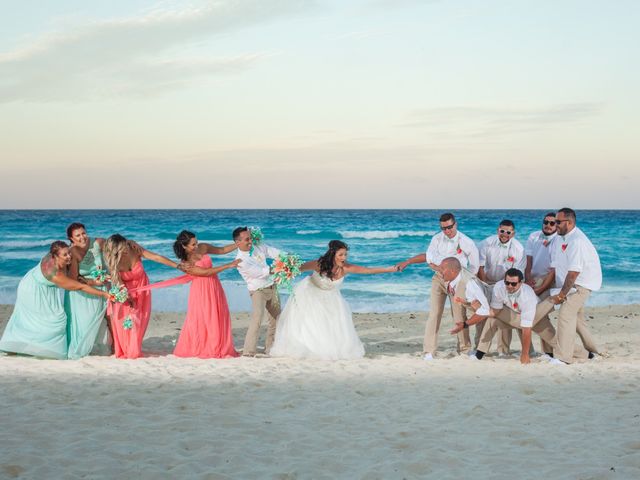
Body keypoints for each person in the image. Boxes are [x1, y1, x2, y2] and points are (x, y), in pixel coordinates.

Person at [269, 240, 398, 359]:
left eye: (345, 255)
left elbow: (368, 271)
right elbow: (297, 268)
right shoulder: (318, 264)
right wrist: (280, 271)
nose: (344, 258)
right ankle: (307, 347)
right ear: (333, 254)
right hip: (310, 294)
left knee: (332, 326)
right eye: (341, 255)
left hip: (331, 298)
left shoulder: (346, 268)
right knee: (310, 323)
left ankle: (325, 349)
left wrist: (390, 269)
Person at [0, 241, 111, 359]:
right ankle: (31, 347)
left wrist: (94, 280)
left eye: (69, 252)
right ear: (55, 256)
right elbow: (79, 286)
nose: (69, 256)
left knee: (43, 320)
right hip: (32, 290)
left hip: (45, 287)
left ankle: (26, 347)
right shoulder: (54, 273)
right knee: (54, 320)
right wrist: (104, 294)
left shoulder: (59, 257)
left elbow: (76, 278)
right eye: (65, 255)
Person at [397, 213, 480, 360]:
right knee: (434, 314)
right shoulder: (436, 239)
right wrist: (439, 269)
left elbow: (474, 266)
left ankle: (465, 349)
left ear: (455, 224)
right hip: (439, 279)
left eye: (449, 227)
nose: (447, 231)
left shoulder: (467, 242)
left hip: (458, 281)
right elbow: (429, 259)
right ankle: (429, 351)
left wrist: (464, 282)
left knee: (459, 315)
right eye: (444, 228)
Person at [102, 234, 179, 359]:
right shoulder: (113, 261)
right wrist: (126, 296)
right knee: (127, 321)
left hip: (142, 291)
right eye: (122, 248)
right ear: (115, 250)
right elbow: (118, 281)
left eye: (125, 245)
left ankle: (133, 347)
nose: (125, 249)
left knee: (140, 320)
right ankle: (128, 350)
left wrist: (177, 266)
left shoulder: (133, 247)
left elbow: (156, 257)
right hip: (124, 291)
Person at [459, 268, 557, 364]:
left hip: (535, 316)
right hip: (514, 315)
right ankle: (479, 354)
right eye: (507, 283)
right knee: (493, 320)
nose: (510, 286)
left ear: (521, 282)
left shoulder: (527, 296)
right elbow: (495, 312)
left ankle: (552, 355)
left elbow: (526, 329)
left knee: (552, 337)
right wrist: (477, 309)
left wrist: (524, 355)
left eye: (513, 284)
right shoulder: (499, 287)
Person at [171, 230, 241, 358]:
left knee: (217, 314)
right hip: (200, 291)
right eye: (193, 244)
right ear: (184, 246)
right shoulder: (185, 263)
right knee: (204, 317)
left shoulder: (203, 247)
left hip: (214, 285)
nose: (197, 246)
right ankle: (205, 347)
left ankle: (218, 345)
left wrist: (238, 244)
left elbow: (222, 250)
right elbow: (206, 272)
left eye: (196, 242)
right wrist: (228, 265)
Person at [547, 208, 601, 365]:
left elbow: (573, 273)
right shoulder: (561, 238)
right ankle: (594, 351)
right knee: (578, 322)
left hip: (580, 285)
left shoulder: (577, 241)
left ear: (569, 223)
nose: (554, 225)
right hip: (570, 285)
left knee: (565, 316)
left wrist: (561, 295)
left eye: (557, 222)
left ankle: (563, 358)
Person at [477, 219, 527, 355]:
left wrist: (507, 287)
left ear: (513, 233)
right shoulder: (486, 243)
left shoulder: (519, 249)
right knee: (483, 314)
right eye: (502, 231)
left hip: (507, 285)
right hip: (487, 281)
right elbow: (479, 266)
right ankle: (479, 348)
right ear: (497, 230)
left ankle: (503, 350)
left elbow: (517, 274)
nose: (505, 234)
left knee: (506, 316)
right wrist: (484, 284)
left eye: (508, 232)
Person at [233, 227, 283, 357]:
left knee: (276, 318)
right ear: (237, 242)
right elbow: (261, 273)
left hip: (272, 286)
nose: (250, 241)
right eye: (247, 239)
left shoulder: (256, 246)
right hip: (258, 291)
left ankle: (270, 349)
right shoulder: (241, 261)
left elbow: (270, 251)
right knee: (257, 318)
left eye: (250, 237)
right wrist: (281, 267)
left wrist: (286, 257)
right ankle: (248, 352)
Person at [63, 223, 111, 359]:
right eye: (77, 235)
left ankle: (106, 346)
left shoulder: (98, 242)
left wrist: (112, 273)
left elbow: (116, 251)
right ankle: (84, 348)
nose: (82, 237)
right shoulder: (72, 253)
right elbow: (73, 278)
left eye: (84, 233)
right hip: (82, 292)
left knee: (103, 320)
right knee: (86, 322)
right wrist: (93, 282)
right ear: (71, 238)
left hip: (101, 287)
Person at [524, 213, 558, 298]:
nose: (548, 225)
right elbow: (528, 261)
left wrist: (540, 289)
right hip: (533, 277)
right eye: (545, 222)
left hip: (550, 279)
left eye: (552, 223)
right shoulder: (533, 236)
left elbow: (554, 270)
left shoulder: (559, 240)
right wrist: (528, 280)